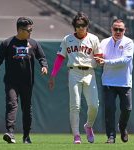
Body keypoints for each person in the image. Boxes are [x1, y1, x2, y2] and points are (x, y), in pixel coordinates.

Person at [48, 12, 102, 144]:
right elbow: (60, 57)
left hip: (90, 73)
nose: (80, 28)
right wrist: (53, 75)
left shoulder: (94, 39)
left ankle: (88, 126)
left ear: (87, 26)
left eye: (83, 25)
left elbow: (99, 56)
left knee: (94, 105)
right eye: (78, 25)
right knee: (75, 106)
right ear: (74, 26)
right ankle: (76, 135)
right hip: (74, 72)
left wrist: (100, 60)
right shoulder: (68, 39)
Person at [0, 17, 48, 144]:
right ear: (20, 30)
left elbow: (42, 57)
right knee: (11, 104)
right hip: (11, 82)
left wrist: (44, 66)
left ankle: (26, 136)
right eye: (29, 30)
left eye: (31, 29)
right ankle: (10, 133)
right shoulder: (7, 43)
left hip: (27, 82)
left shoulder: (34, 43)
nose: (31, 32)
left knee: (26, 108)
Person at [95, 19, 134, 143]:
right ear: (111, 29)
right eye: (115, 29)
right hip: (108, 81)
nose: (118, 31)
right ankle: (111, 136)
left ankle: (122, 127)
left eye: (120, 29)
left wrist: (105, 62)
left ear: (124, 30)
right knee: (109, 110)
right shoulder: (104, 42)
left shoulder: (129, 42)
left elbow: (125, 60)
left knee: (127, 109)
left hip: (124, 81)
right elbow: (98, 57)